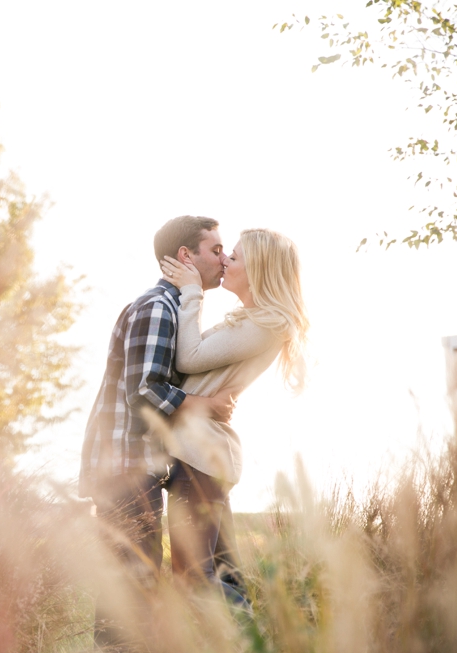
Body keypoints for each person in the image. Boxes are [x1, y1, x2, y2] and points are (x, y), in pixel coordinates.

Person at [79, 215, 238, 651]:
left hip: (138, 464)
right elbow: (144, 389)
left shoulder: (173, 307)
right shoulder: (157, 308)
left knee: (137, 582)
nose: (224, 259)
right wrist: (206, 406)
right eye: (216, 249)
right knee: (131, 584)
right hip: (124, 463)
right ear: (185, 255)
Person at [159, 228, 309, 594]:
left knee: (192, 577)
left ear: (259, 270)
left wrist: (192, 291)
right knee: (224, 575)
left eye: (235, 257)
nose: (225, 259)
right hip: (202, 455)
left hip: (201, 457)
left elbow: (188, 357)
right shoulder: (252, 319)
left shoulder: (265, 326)